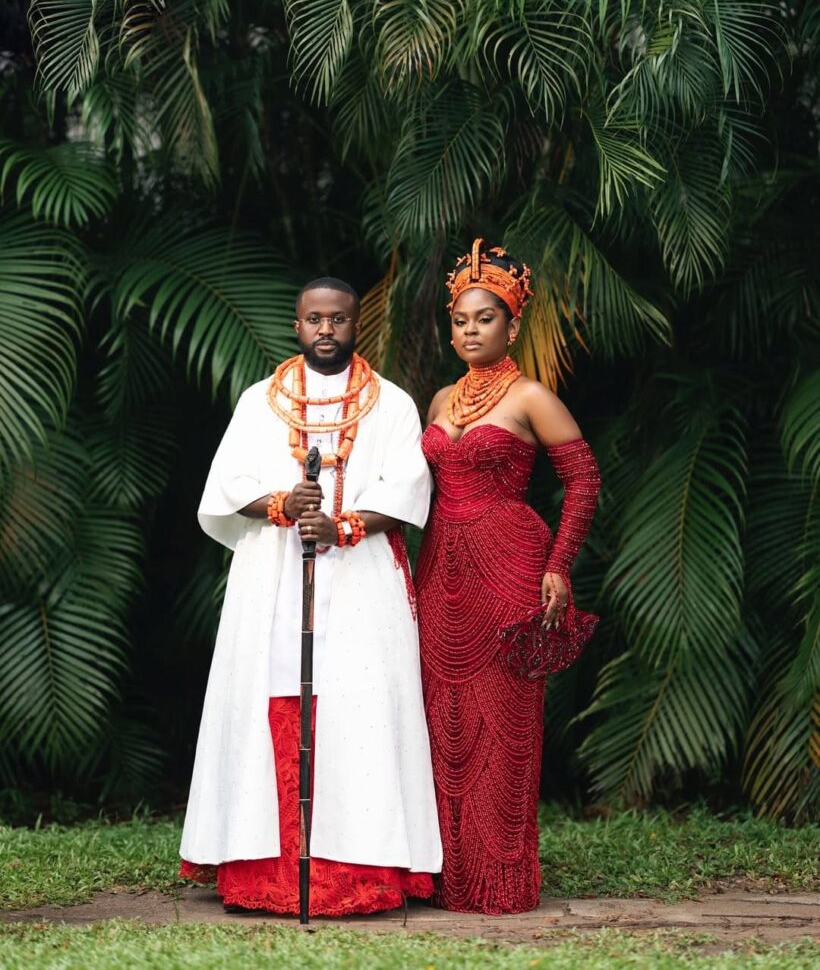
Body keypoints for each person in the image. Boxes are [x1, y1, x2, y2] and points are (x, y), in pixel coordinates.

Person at [179, 277, 442, 915]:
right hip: (273, 575)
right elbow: (223, 487)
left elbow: (407, 491)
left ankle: (360, 875)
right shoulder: (259, 401)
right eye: (315, 320)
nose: (327, 330)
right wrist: (278, 503)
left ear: (357, 325)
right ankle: (262, 873)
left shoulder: (393, 403)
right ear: (297, 326)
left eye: (340, 320)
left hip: (362, 578)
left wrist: (344, 525)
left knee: (363, 706)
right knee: (273, 697)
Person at [416, 239, 601, 915]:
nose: (469, 330)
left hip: (510, 562)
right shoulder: (439, 399)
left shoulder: (531, 397)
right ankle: (444, 877)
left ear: (512, 326)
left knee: (503, 719)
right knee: (441, 718)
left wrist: (558, 565)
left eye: (484, 318)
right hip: (440, 567)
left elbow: (582, 481)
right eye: (460, 319)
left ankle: (498, 881)